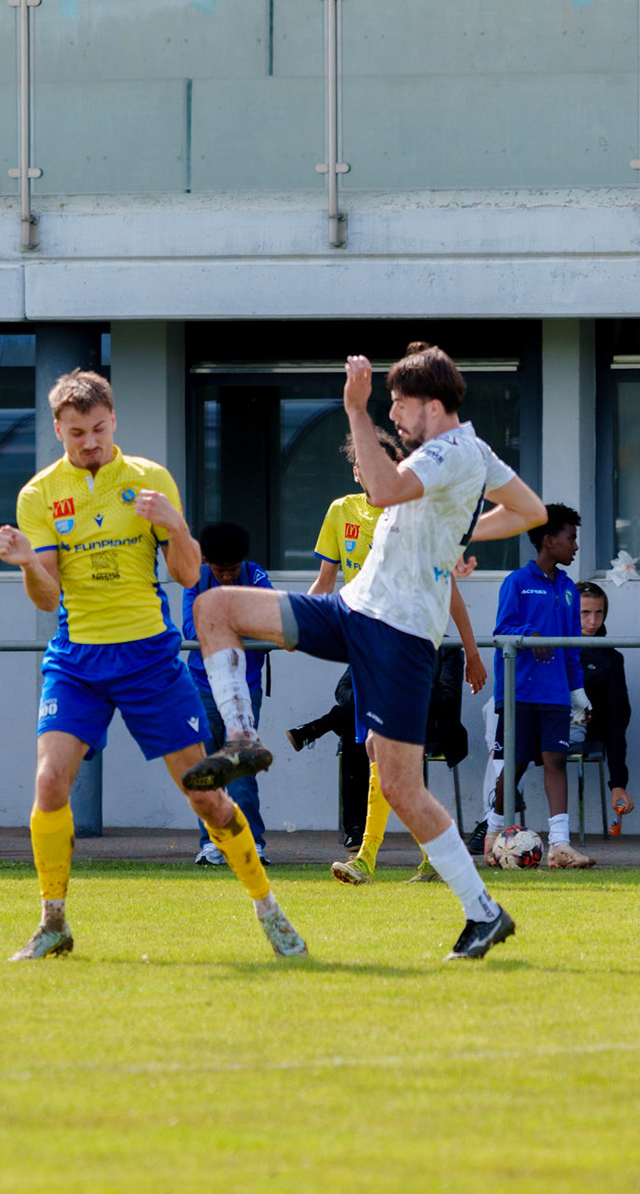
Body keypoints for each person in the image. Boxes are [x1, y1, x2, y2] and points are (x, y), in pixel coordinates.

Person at [187, 344, 547, 961]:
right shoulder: (475, 452)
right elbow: (531, 510)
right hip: (355, 610)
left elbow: (381, 489)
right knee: (214, 608)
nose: (394, 416)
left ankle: (483, 911)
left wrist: (355, 409)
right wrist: (458, 533)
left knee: (401, 785)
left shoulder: (445, 450)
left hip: (397, 635)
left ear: (432, 405)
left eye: (399, 404)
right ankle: (242, 738)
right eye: (387, 405)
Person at [0, 369, 307, 961]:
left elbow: (188, 574)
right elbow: (48, 599)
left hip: (148, 660)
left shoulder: (149, 479)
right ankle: (52, 922)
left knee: (205, 795)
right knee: (49, 782)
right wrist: (27, 563)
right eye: (78, 433)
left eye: (99, 429)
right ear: (58, 430)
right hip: (77, 660)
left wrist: (176, 524)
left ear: (114, 421)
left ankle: (269, 910)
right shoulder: (39, 495)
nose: (91, 442)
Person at [296, 430, 488, 887]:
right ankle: (433, 855)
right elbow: (324, 583)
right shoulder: (340, 512)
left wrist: (471, 652)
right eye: (366, 465)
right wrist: (293, 624)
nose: (374, 472)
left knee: (382, 750)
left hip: (407, 641)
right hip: (366, 645)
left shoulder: (415, 513)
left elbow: (448, 587)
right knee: (379, 751)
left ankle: (368, 859)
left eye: (384, 465)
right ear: (356, 471)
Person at [474, 508, 595, 869]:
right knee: (514, 765)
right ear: (548, 541)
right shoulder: (517, 582)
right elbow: (503, 630)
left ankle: (560, 844)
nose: (575, 546)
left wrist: (577, 692)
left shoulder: (569, 589)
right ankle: (494, 834)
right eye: (571, 538)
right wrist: (529, 635)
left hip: (555, 693)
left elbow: (572, 647)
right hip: (519, 693)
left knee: (556, 760)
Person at [181, 521, 271, 867]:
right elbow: (191, 629)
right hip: (202, 686)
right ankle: (211, 843)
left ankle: (252, 841)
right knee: (207, 767)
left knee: (242, 765)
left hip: (245, 686)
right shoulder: (196, 578)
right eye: (221, 570)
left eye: (233, 568)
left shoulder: (255, 575)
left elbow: (270, 618)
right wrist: (240, 621)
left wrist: (219, 621)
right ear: (207, 562)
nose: (228, 575)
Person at [575, 582, 635, 832]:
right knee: (496, 710)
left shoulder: (610, 659)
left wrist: (618, 783)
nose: (593, 621)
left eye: (598, 612)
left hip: (581, 730)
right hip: (542, 725)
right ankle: (495, 816)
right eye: (585, 613)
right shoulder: (550, 648)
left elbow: (616, 720)